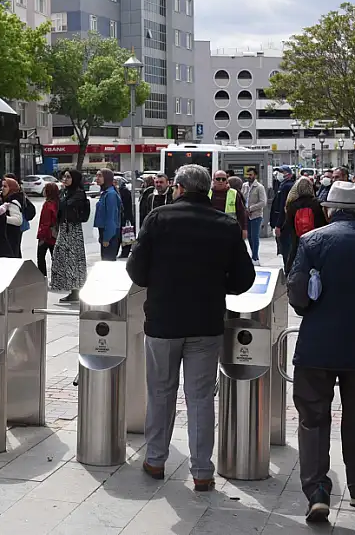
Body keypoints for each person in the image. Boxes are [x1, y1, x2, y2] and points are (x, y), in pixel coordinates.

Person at [126, 164, 255, 493]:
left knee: (160, 392)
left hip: (162, 321)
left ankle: (155, 460)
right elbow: (244, 280)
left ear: (179, 188)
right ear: (207, 190)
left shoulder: (158, 219)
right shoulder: (224, 225)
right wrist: (215, 284)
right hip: (206, 323)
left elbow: (137, 272)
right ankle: (202, 471)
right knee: (199, 399)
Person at [287, 180, 355, 523]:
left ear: (329, 209)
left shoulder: (311, 240)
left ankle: (318, 490)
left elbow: (297, 292)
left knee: (313, 418)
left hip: (317, 344)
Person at [52, 169, 90, 302]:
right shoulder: (65, 192)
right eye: (64, 177)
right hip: (64, 228)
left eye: (68, 177)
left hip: (73, 229)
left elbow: (67, 205)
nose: (65, 179)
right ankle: (71, 288)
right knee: (63, 258)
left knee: (73, 260)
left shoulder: (78, 194)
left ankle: (76, 290)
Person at [281, 177, 327, 270]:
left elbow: (288, 224)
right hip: (316, 241)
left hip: (298, 241)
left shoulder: (291, 205)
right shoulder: (319, 204)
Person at [94, 169, 123, 262]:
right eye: (97, 175)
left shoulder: (110, 194)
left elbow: (111, 218)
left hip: (110, 234)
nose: (97, 178)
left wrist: (107, 237)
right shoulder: (106, 193)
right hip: (105, 232)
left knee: (108, 262)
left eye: (100, 176)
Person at [269, 165, 296, 260]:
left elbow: (283, 208)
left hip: (284, 225)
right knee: (285, 249)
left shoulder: (287, 186)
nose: (278, 174)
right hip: (282, 223)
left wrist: (278, 225)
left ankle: (287, 271)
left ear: (288, 174)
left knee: (286, 250)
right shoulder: (282, 185)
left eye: (282, 172)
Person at [209, 170, 248, 235]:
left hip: (229, 228)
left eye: (223, 179)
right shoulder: (207, 193)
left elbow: (241, 213)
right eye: (218, 179)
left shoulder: (234, 193)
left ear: (227, 181)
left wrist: (244, 229)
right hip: (211, 228)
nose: (221, 181)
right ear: (213, 180)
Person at [243, 167, 267, 264]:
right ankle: (253, 255)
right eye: (247, 175)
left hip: (256, 215)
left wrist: (251, 208)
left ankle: (255, 257)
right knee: (249, 236)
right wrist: (244, 209)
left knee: (254, 236)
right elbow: (242, 198)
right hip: (246, 215)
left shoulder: (259, 187)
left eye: (251, 175)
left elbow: (263, 202)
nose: (249, 176)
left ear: (255, 175)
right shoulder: (244, 186)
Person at [36, 182, 60, 277]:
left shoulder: (48, 204)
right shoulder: (58, 203)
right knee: (55, 257)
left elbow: (45, 222)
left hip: (46, 235)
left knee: (41, 257)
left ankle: (43, 277)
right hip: (55, 234)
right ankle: (57, 278)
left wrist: (41, 236)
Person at [0, 176, 26, 258]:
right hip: (7, 236)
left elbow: (18, 220)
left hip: (11, 236)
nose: (2, 188)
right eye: (2, 186)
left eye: (5, 186)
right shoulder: (5, 199)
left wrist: (3, 219)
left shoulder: (13, 201)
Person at [117, 177, 136, 258]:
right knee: (125, 234)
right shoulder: (124, 191)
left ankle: (125, 252)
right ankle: (125, 252)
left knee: (126, 234)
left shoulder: (124, 192)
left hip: (126, 217)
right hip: (126, 216)